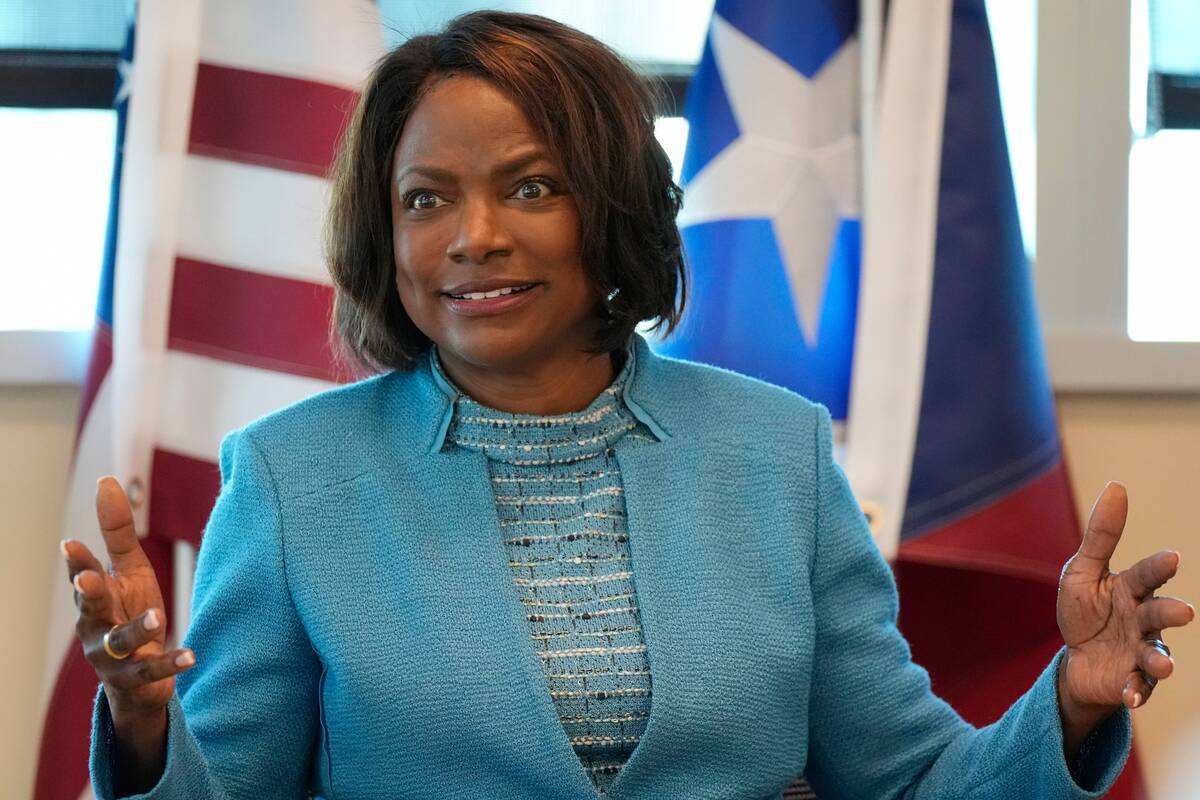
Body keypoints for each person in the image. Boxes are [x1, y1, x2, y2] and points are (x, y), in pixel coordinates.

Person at [62, 10, 1193, 800]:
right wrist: (146, 726)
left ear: (613, 211)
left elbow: (906, 780)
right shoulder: (291, 476)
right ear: (384, 232)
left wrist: (1073, 701)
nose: (475, 237)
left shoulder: (775, 452)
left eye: (531, 186)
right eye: (426, 198)